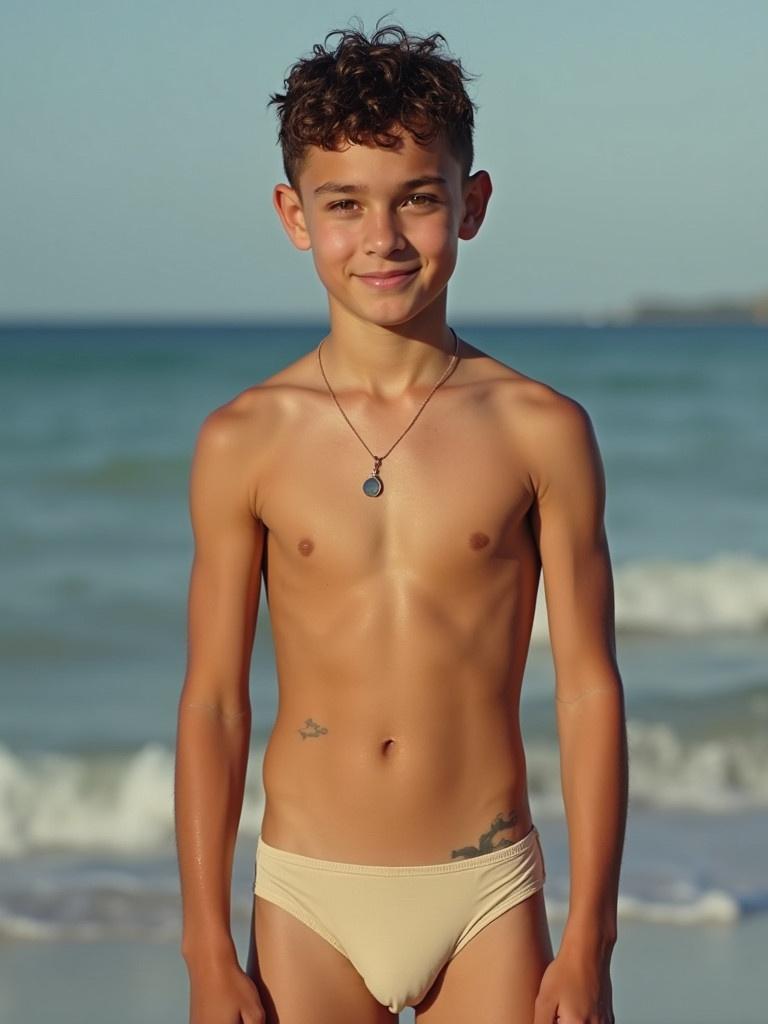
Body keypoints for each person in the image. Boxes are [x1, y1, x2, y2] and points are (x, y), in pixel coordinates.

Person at [174, 20, 627, 1024]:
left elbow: (590, 687)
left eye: (417, 199)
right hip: (308, 895)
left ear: (471, 203)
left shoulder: (540, 429)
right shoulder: (243, 439)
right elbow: (212, 702)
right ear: (296, 215)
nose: (381, 240)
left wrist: (588, 942)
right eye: (345, 205)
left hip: (487, 891)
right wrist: (207, 948)